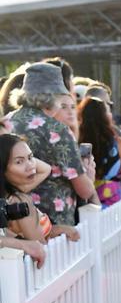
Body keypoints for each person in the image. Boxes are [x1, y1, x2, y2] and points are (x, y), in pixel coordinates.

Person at [6, 62, 99, 224]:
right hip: (54, 225)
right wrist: (89, 176)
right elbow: (84, 191)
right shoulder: (57, 130)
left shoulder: (5, 123)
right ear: (53, 97)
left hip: (15, 222)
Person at [0, 133, 79, 243]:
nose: (30, 166)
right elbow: (38, 246)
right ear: (3, 169)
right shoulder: (20, 202)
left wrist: (56, 229)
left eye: (30, 157)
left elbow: (46, 169)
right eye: (19, 162)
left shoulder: (10, 196)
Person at [78, 97, 121, 207]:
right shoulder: (118, 144)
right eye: (108, 110)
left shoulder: (77, 143)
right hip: (114, 208)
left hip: (85, 206)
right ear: (105, 116)